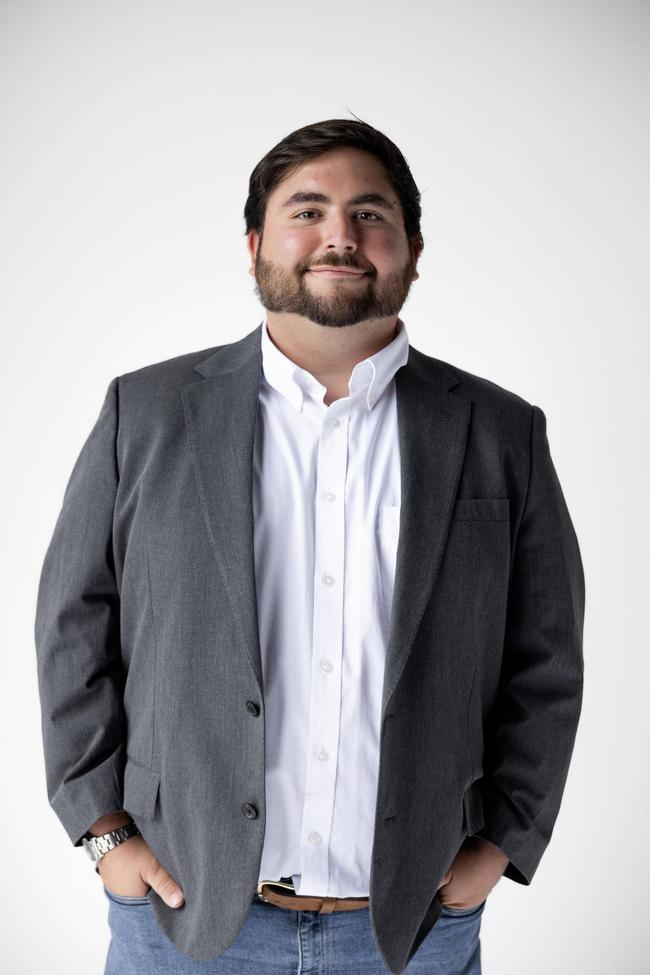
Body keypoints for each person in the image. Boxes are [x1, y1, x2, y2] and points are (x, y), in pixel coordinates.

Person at [34, 118, 585, 975]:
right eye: (308, 210)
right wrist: (103, 831)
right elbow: (73, 627)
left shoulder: (501, 432)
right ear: (255, 246)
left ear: (412, 252)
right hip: (182, 919)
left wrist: (501, 845)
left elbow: (546, 656)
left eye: (370, 214)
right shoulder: (144, 414)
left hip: (413, 930)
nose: (340, 235)